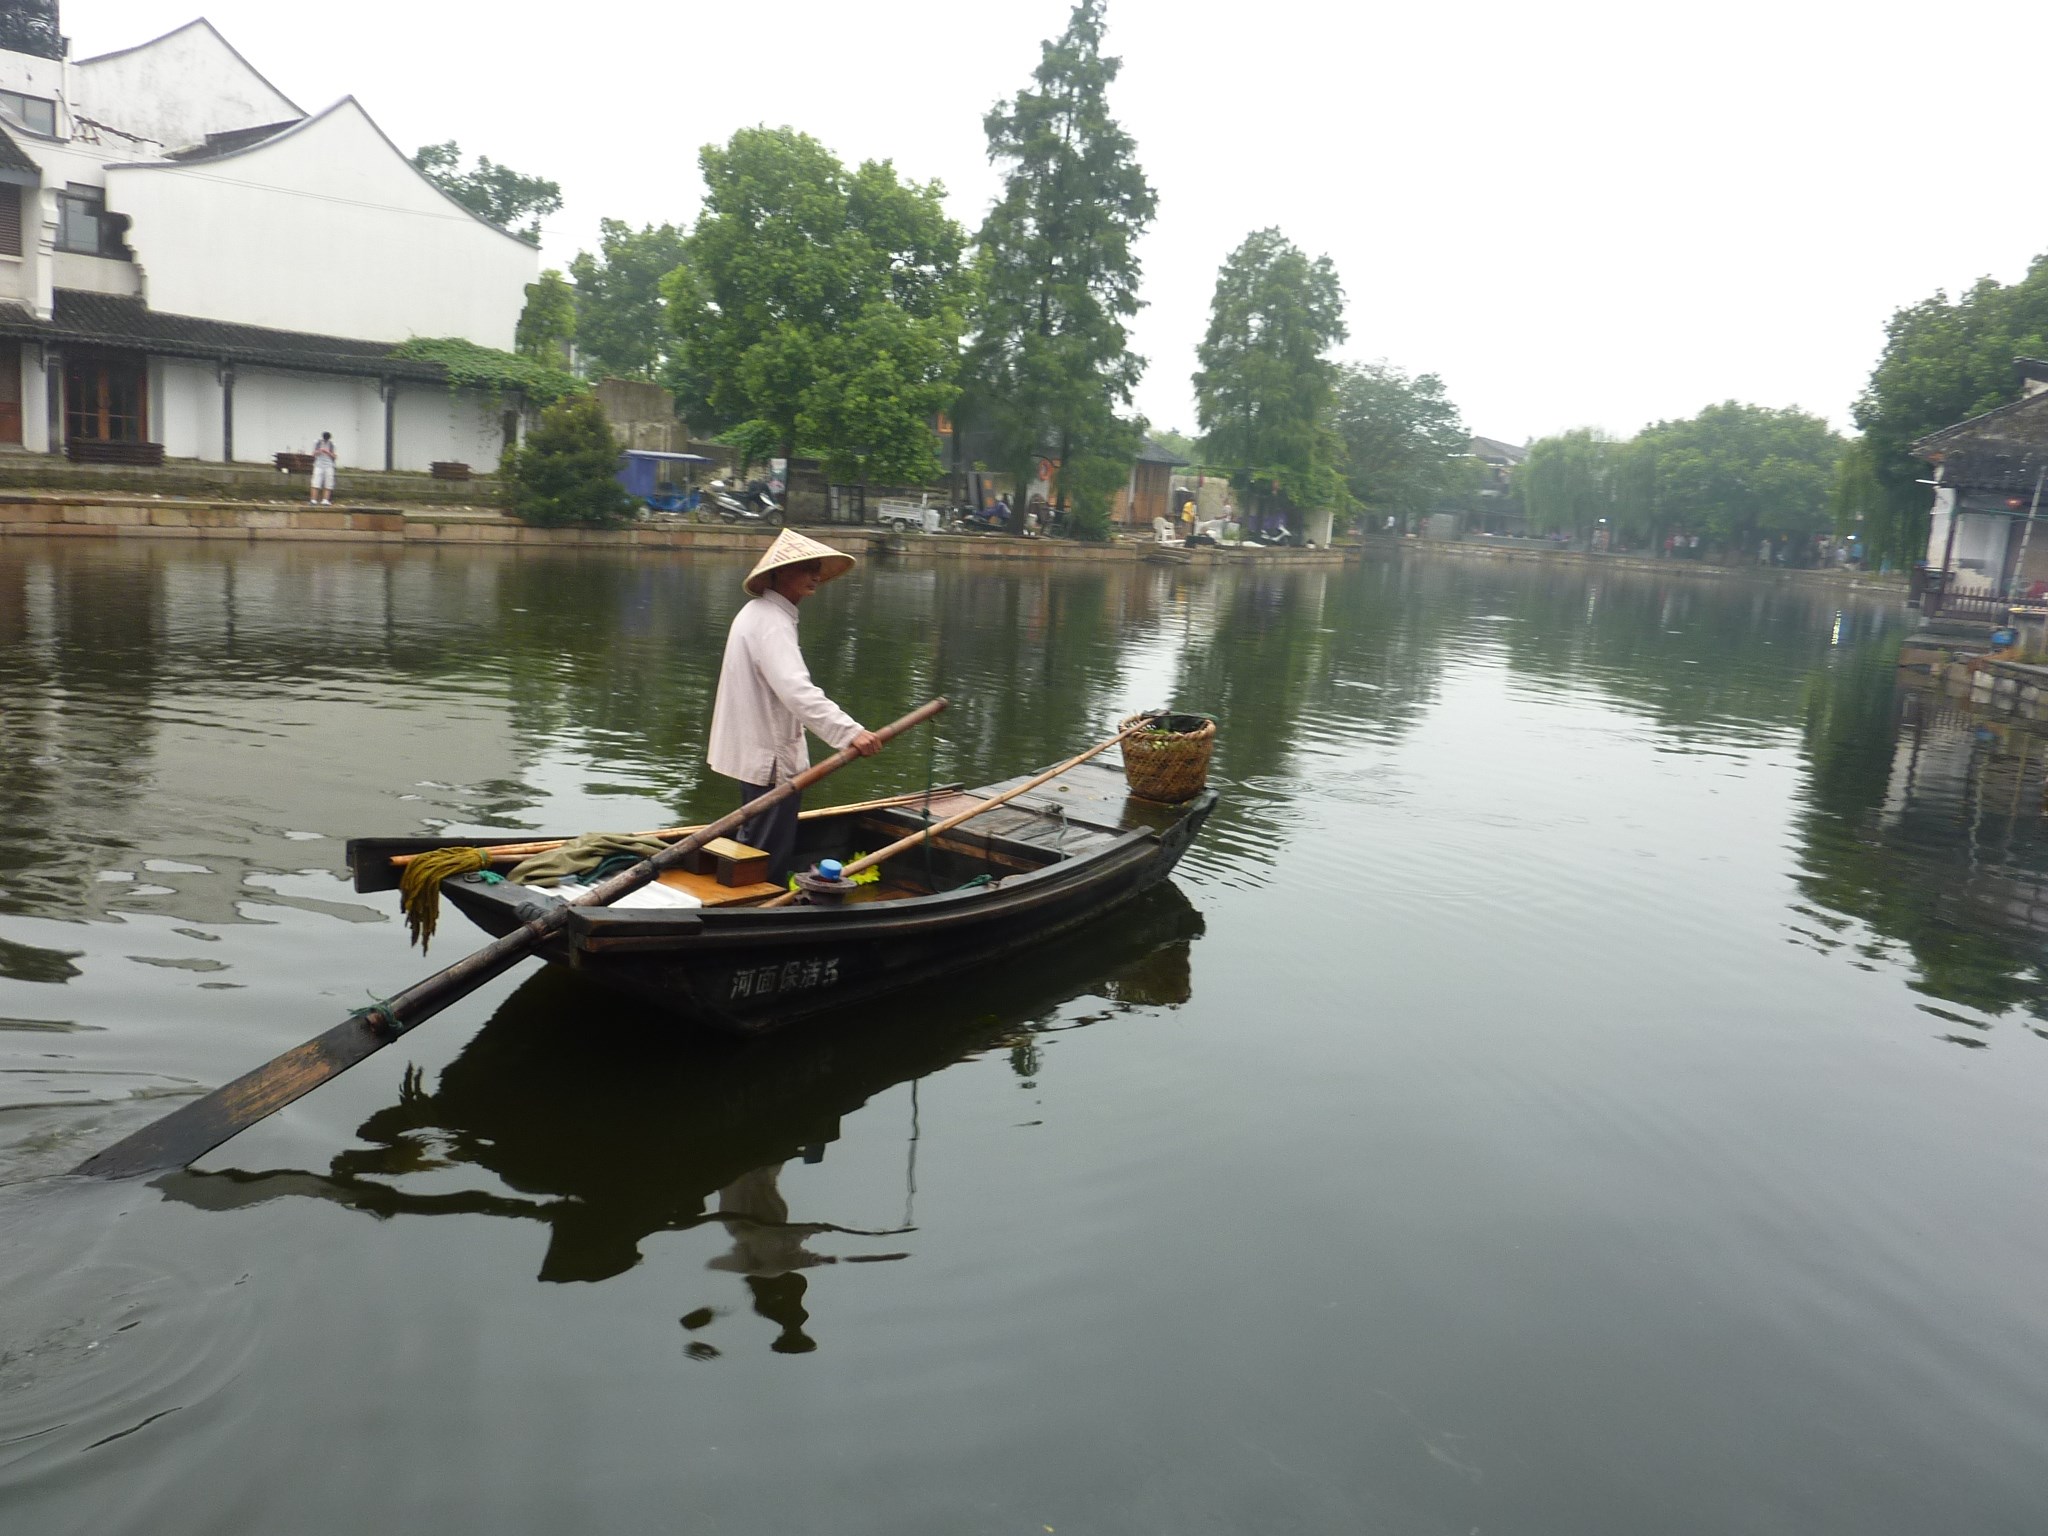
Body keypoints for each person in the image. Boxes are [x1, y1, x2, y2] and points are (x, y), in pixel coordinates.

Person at [707, 529, 881, 882]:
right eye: (805, 567)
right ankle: (760, 913)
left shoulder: (759, 614)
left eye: (816, 567)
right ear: (778, 573)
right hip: (769, 760)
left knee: (754, 842)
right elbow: (797, 691)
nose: (814, 575)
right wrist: (851, 733)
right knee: (767, 855)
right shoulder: (770, 622)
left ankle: (753, 902)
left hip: (756, 755)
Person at [310, 431, 337, 506]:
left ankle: (325, 500)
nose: (326, 440)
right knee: (316, 482)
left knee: (328, 483)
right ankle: (313, 500)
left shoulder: (332, 444)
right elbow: (313, 454)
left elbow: (335, 457)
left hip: (329, 465)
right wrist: (319, 451)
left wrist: (328, 452)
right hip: (318, 465)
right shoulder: (317, 442)